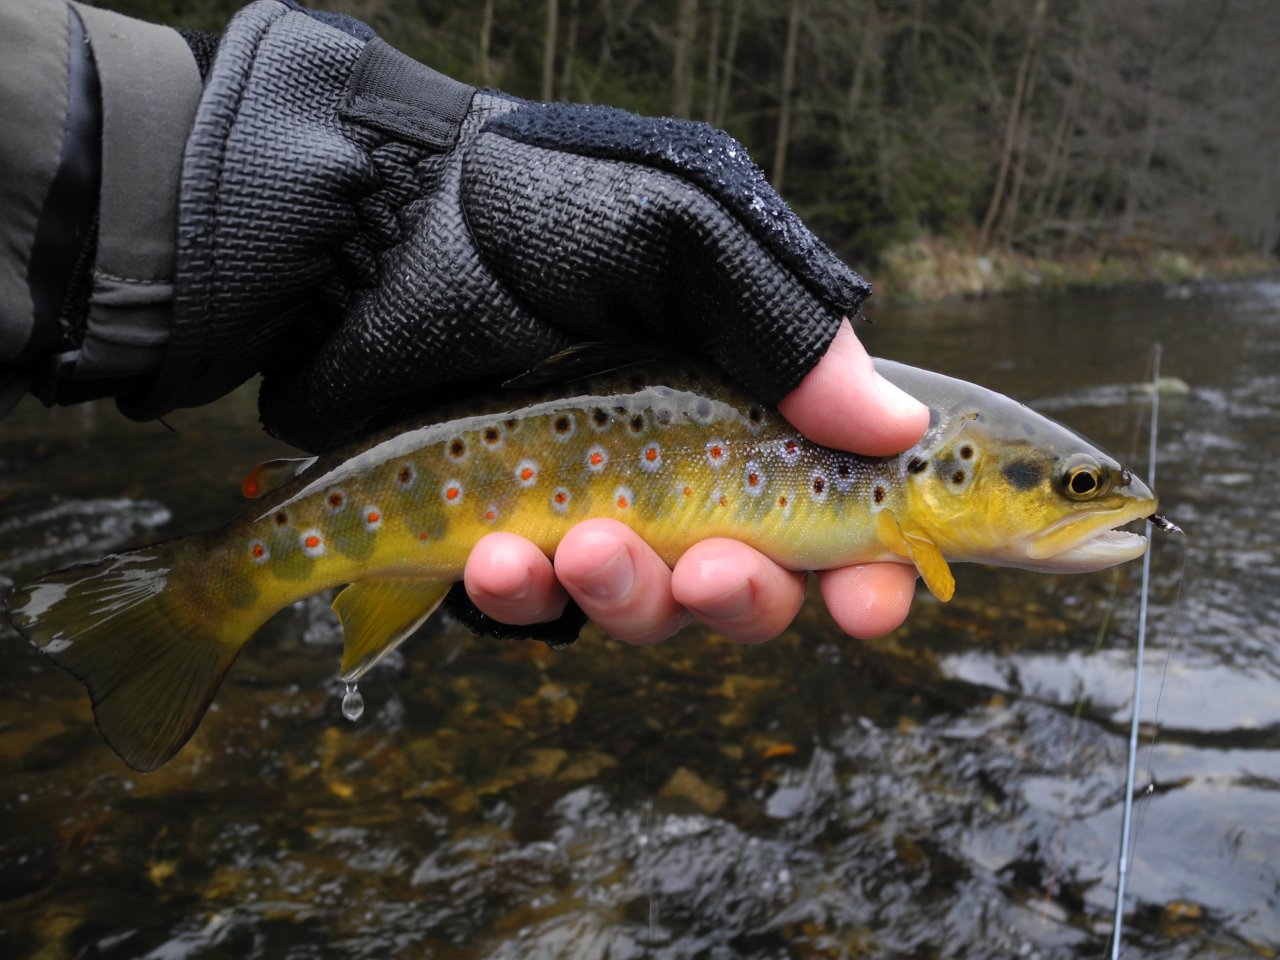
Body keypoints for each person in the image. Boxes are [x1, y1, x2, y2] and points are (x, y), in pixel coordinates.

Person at [0, 0, 928, 647]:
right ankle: (191, 603)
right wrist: (394, 207)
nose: (1081, 503)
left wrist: (354, 235)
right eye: (1079, 483)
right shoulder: (905, 437)